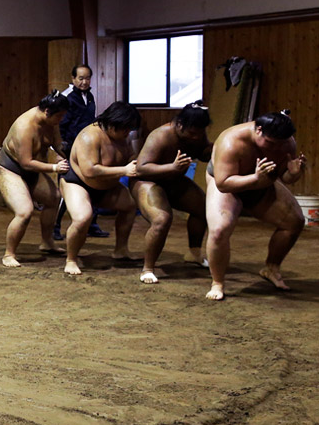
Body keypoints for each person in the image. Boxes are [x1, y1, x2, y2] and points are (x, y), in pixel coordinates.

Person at [205, 110, 306, 300]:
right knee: (219, 230)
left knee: (294, 222)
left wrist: (294, 174)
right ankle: (217, 282)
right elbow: (223, 183)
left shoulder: (287, 143)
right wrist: (255, 178)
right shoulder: (231, 141)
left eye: (280, 143)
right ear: (258, 130)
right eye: (271, 143)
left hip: (262, 183)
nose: (276, 148)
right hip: (227, 185)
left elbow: (285, 177)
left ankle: (271, 268)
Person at [129, 101, 213, 284]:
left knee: (203, 208)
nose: (196, 137)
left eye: (199, 133)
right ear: (180, 125)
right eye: (192, 133)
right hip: (146, 181)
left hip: (173, 180)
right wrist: (172, 167)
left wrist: (214, 150)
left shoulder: (197, 133)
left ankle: (194, 253)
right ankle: (148, 269)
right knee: (162, 220)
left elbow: (203, 153)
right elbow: (141, 168)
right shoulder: (161, 135)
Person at [60, 101, 142, 276]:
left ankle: (121, 250)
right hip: (78, 183)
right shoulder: (89, 136)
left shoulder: (123, 136)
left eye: (129, 129)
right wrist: (124, 170)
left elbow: (131, 156)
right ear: (112, 123)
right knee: (82, 218)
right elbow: (89, 170)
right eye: (125, 128)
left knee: (129, 206)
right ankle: (71, 259)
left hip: (107, 186)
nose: (128, 132)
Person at [0, 92, 71, 267]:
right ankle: (9, 254)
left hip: (32, 169)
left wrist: (65, 156)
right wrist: (54, 167)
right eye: (59, 116)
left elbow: (57, 145)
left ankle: (47, 242)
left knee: (54, 197)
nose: (61, 119)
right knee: (24, 211)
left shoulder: (52, 121)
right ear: (47, 111)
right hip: (10, 169)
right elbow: (26, 162)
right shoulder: (25, 127)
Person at [56, 65, 109, 240]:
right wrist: (60, 151)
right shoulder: (67, 97)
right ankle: (55, 227)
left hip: (87, 147)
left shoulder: (90, 96)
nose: (84, 82)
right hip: (69, 149)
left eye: (87, 78)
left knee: (93, 183)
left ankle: (92, 225)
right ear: (73, 79)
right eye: (80, 78)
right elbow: (59, 125)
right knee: (67, 186)